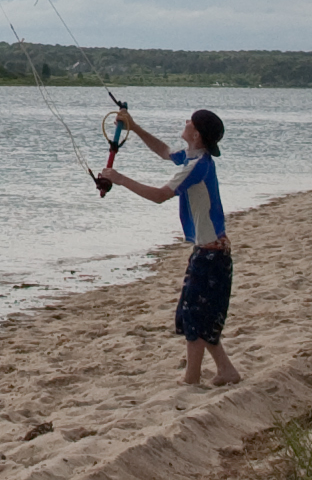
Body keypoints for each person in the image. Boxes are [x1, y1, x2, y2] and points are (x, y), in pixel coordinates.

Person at [98, 102, 236, 386]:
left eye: (190, 122)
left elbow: (161, 195)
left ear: (196, 135)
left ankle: (192, 378)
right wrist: (133, 127)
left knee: (195, 316)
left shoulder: (197, 166)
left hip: (211, 255)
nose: (186, 122)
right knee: (195, 315)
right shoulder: (193, 156)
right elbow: (163, 151)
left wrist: (120, 179)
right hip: (208, 251)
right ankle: (224, 371)